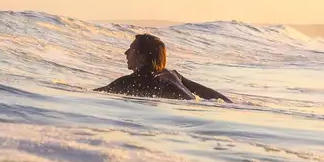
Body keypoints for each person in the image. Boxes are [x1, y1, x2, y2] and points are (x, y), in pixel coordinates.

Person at [95, 34, 232, 102]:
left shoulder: (136, 80)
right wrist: (231, 105)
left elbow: (97, 95)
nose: (126, 53)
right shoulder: (173, 75)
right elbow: (210, 94)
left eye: (131, 49)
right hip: (193, 107)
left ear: (142, 58)